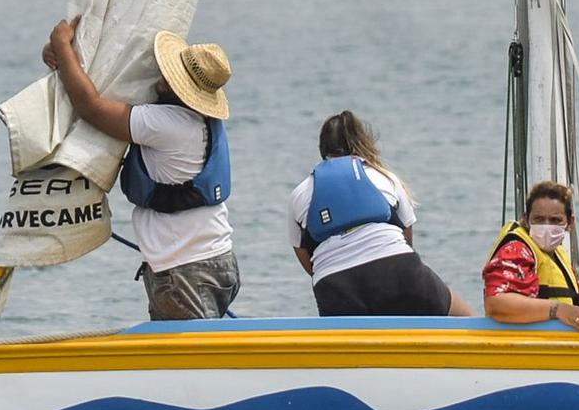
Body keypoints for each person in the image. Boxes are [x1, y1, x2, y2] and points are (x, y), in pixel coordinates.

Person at [44, 20, 239, 321]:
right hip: (218, 258)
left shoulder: (163, 124)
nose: (160, 72)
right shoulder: (199, 121)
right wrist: (66, 61)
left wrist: (61, 43)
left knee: (186, 365)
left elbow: (90, 107)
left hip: (184, 270)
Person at [287, 111, 474, 317]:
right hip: (396, 268)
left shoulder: (300, 193)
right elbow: (407, 238)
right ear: (361, 143)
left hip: (333, 284)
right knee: (463, 315)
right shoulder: (385, 177)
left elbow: (305, 258)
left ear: (322, 148)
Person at [483, 181, 579, 330]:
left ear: (570, 223)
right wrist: (557, 309)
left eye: (555, 220)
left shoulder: (557, 253)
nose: (546, 226)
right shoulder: (517, 249)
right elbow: (496, 302)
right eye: (539, 219)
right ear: (526, 220)